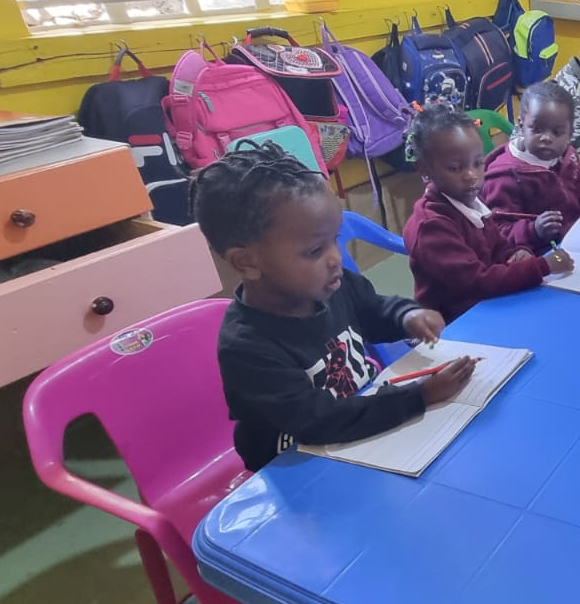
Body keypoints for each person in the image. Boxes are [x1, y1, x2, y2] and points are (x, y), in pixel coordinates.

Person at [193, 143, 475, 473]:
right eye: (315, 251)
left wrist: (406, 315)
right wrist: (419, 397)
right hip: (298, 466)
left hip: (361, 431)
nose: (336, 259)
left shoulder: (330, 285)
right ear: (247, 262)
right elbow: (317, 421)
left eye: (334, 240)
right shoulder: (247, 347)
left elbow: (372, 309)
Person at [403, 106, 573, 322]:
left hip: (491, 304)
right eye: (455, 168)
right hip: (457, 323)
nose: (471, 176)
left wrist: (518, 253)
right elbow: (476, 282)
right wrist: (542, 266)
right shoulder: (431, 227)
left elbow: (499, 245)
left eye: (478, 163)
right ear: (424, 169)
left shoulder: (469, 201)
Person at [481, 82, 580, 253]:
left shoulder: (567, 155)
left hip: (579, 237)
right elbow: (498, 231)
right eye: (537, 129)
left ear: (569, 133)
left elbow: (579, 185)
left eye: (557, 132)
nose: (547, 138)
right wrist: (534, 230)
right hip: (542, 253)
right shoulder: (504, 177)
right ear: (521, 125)